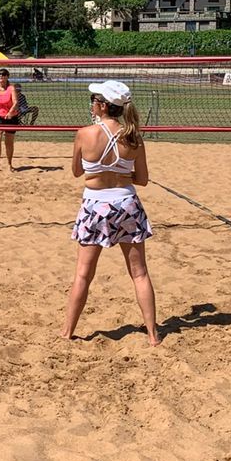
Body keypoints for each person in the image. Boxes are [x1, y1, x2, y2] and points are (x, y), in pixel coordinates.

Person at [62, 80, 159, 345]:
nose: (92, 104)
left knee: (83, 273)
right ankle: (152, 335)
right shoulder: (133, 137)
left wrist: (103, 170)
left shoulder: (85, 134)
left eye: (94, 100)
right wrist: (120, 172)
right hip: (126, 203)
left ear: (103, 106)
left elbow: (77, 172)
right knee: (139, 273)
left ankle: (67, 332)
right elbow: (142, 179)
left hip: (96, 204)